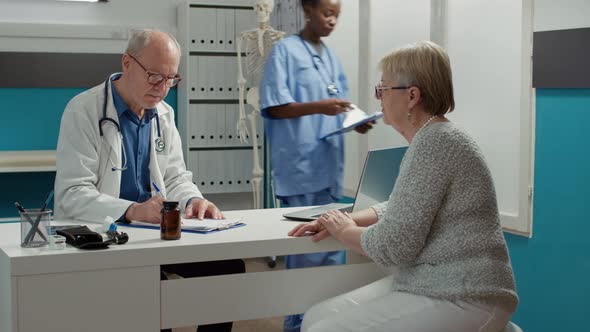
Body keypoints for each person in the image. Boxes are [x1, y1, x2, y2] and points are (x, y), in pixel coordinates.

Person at [289, 41, 518, 332]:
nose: (378, 98)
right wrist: (349, 219)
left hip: (467, 294)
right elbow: (407, 206)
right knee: (316, 317)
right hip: (440, 283)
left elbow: (394, 246)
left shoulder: (436, 142)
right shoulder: (436, 137)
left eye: (382, 89)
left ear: (412, 96)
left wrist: (344, 231)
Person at [54, 29, 244, 332]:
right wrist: (131, 210)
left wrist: (194, 200)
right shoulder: (84, 111)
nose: (163, 88)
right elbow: (72, 194)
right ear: (127, 63)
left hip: (154, 236)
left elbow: (176, 177)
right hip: (106, 238)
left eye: (171, 79)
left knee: (227, 269)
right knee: (152, 293)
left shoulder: (163, 114)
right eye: (155, 76)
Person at [259, 0, 372, 331]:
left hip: (327, 169)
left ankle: (322, 323)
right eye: (327, 12)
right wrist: (320, 107)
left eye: (337, 14)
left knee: (332, 255)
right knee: (307, 257)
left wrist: (357, 120)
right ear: (308, 10)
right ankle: (295, 325)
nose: (332, 20)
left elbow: (339, 104)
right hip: (301, 169)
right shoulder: (285, 52)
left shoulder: (330, 57)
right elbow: (275, 107)